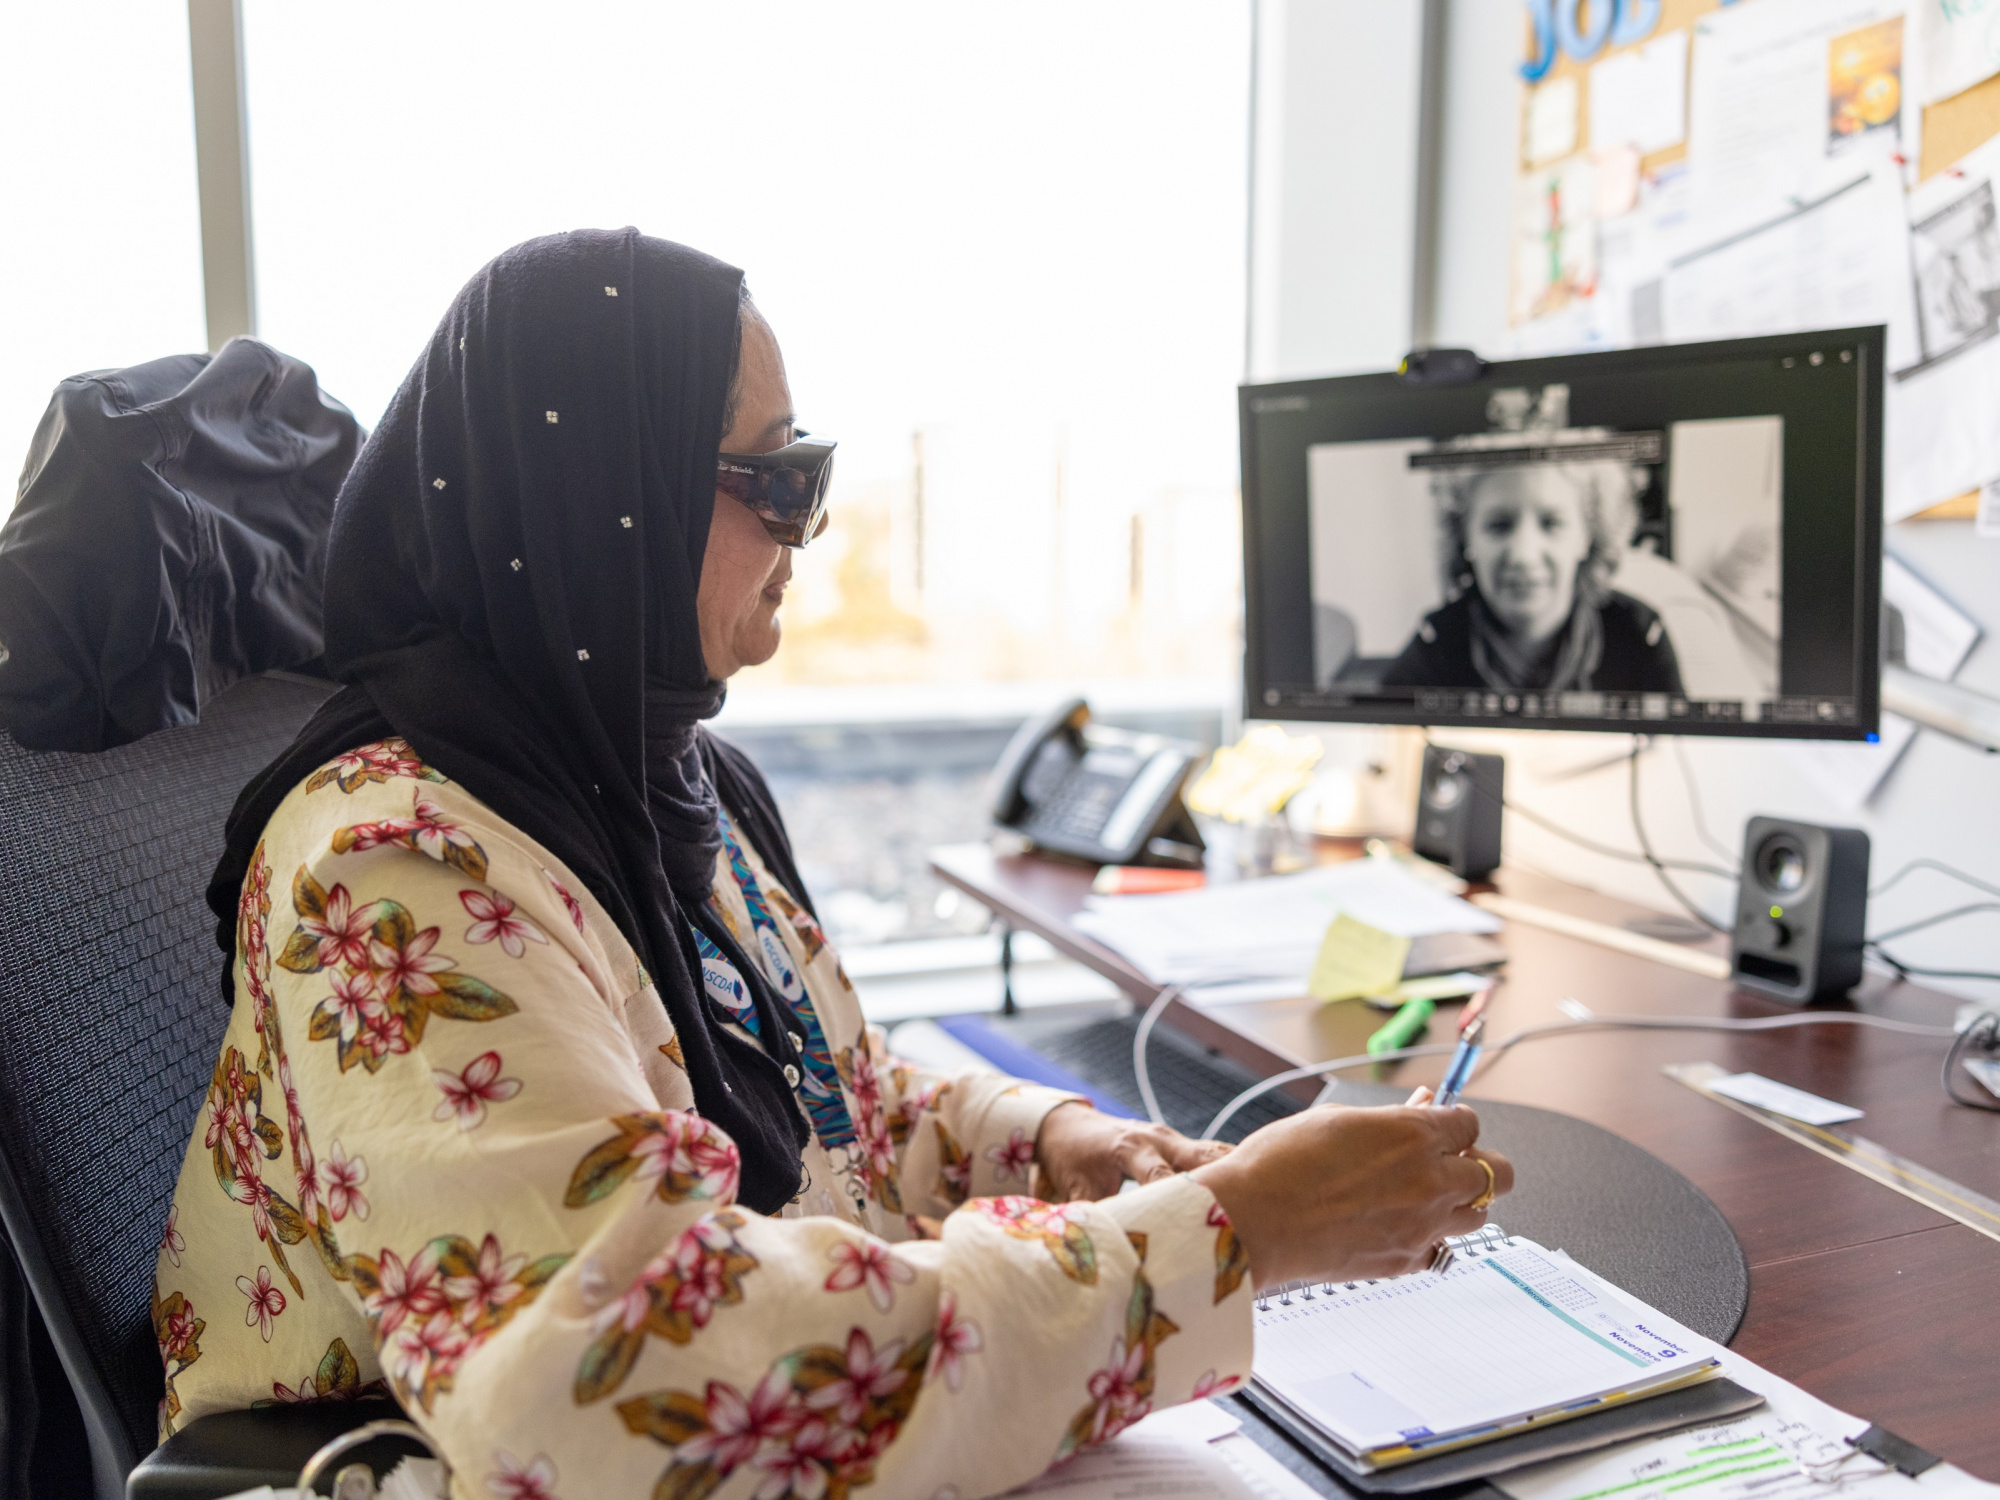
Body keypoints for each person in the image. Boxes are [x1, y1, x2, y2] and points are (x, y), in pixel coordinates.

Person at [156, 230, 1512, 1497]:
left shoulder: (664, 778)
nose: (811, 528)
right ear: (600, 506)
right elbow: (615, 1391)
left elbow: (813, 1106)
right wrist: (1232, 1234)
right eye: (777, 481)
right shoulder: (398, 872)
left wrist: (1047, 1151)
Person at [1381, 458, 1682, 696]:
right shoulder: (1436, 644)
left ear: (1588, 535)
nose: (1524, 555)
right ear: (1464, 538)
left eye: (1551, 523)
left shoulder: (1639, 635)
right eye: (1499, 525)